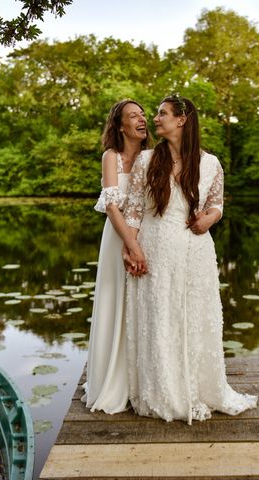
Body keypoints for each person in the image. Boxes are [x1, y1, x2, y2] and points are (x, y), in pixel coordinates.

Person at [123, 95, 257, 424]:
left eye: (162, 113)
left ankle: (199, 387)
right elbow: (134, 212)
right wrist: (132, 248)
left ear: (182, 119)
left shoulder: (210, 163)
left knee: (196, 319)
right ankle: (163, 390)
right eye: (155, 114)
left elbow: (217, 204)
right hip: (155, 247)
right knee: (160, 318)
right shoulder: (146, 160)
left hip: (195, 251)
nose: (155, 119)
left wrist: (210, 218)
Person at [83, 99, 150, 414]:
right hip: (117, 237)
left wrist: (140, 244)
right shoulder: (112, 157)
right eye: (133, 116)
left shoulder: (154, 157)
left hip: (147, 236)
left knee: (143, 305)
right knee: (115, 301)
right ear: (120, 125)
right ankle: (113, 382)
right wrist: (130, 244)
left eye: (143, 114)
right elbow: (111, 205)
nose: (142, 119)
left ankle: (144, 381)